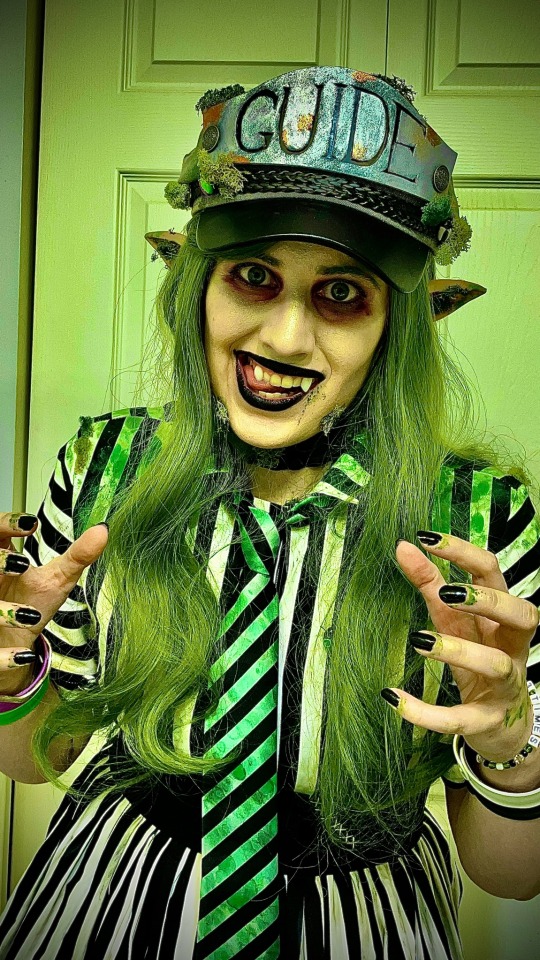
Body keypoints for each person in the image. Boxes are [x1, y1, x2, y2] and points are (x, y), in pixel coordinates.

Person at [0, 66, 539, 960]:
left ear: (393, 328)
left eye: (342, 293)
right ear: (199, 288)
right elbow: (39, 758)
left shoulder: (478, 521)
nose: (285, 338)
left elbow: (511, 874)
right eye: (254, 276)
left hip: (367, 922)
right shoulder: (107, 470)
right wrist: (12, 678)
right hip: (109, 900)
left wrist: (511, 741)